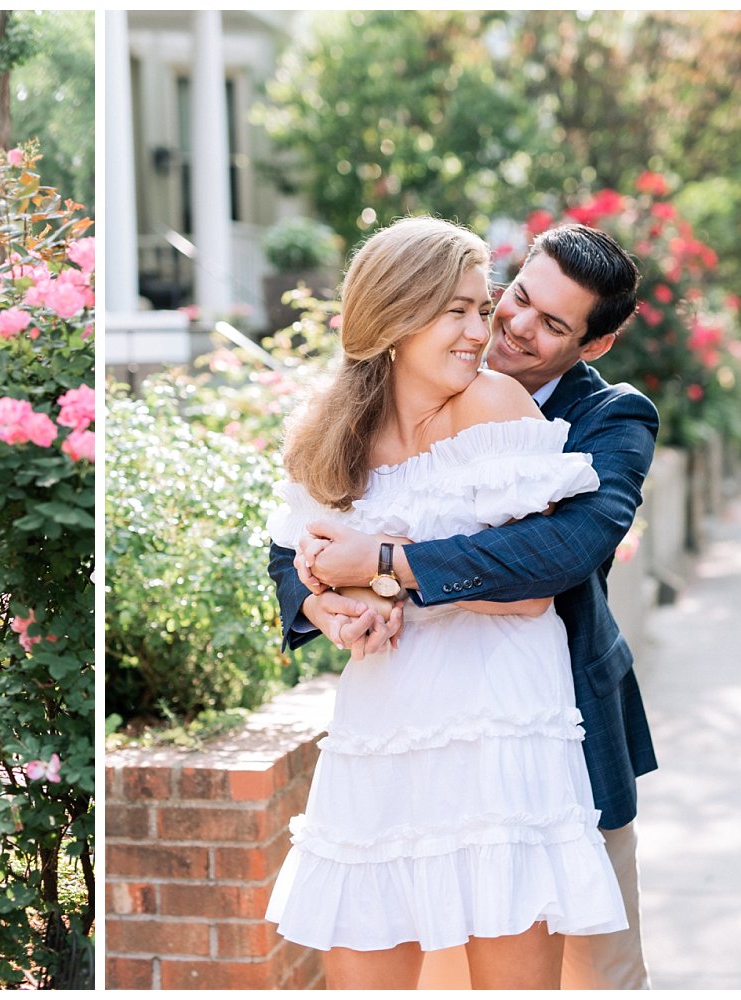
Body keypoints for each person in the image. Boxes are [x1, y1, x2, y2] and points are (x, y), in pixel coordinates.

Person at [269, 221, 657, 989]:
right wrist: (328, 606)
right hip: (393, 729)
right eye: (512, 299)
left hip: (538, 724)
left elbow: (554, 558)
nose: (506, 325)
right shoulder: (355, 410)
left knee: (598, 976)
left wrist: (383, 567)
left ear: (593, 344)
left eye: (551, 324)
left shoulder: (610, 416)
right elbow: (297, 555)